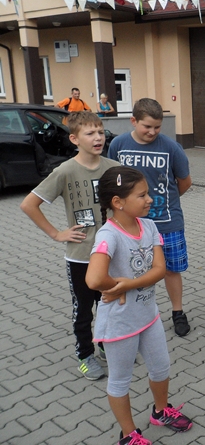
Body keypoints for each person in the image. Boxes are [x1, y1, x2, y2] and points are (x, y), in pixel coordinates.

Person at [86, 167, 193, 445]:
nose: (150, 199)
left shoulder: (149, 226)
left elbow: (160, 269)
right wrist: (114, 285)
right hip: (120, 324)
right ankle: (129, 433)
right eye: (142, 195)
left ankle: (160, 412)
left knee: (161, 368)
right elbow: (94, 278)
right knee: (120, 380)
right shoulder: (108, 235)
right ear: (118, 202)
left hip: (148, 316)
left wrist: (126, 284)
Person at [20, 111, 119, 380]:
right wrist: (56, 234)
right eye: (90, 133)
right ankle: (85, 355)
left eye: (100, 132)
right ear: (74, 138)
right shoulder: (65, 171)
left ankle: (104, 347)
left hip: (110, 255)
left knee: (109, 304)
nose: (98, 137)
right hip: (81, 257)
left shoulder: (113, 167)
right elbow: (29, 204)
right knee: (84, 310)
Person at [108, 98, 192, 337]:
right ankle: (132, 315)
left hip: (167, 222)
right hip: (129, 224)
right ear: (133, 121)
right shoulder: (118, 145)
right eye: (147, 126)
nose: (153, 132)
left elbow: (184, 182)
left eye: (157, 127)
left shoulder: (171, 147)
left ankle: (178, 312)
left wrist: (167, 202)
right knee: (128, 269)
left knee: (170, 270)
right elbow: (113, 179)